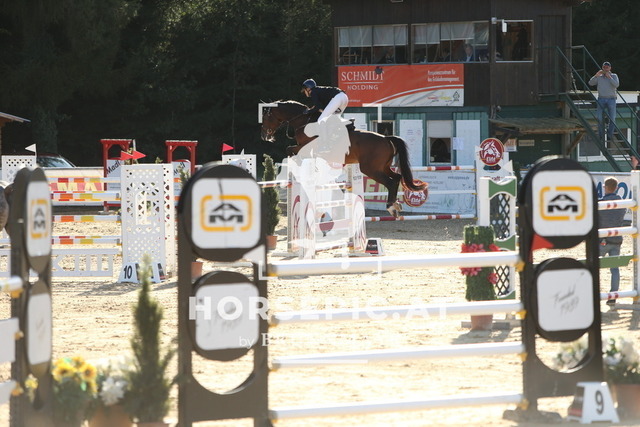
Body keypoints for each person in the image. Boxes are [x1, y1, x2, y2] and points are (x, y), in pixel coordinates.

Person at [599, 176, 626, 306]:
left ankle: (593, 294)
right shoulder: (623, 204)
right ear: (616, 188)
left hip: (602, 240)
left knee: (593, 267)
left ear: (605, 187)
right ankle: (613, 297)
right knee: (615, 269)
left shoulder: (600, 203)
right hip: (616, 239)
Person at [589, 61, 620, 143]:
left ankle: (609, 135)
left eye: (607, 67)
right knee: (599, 118)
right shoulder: (599, 76)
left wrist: (609, 77)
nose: (605, 69)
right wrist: (596, 75)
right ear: (602, 68)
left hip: (611, 99)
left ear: (610, 68)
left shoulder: (614, 75)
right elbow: (590, 83)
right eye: (604, 67)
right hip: (601, 99)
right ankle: (601, 135)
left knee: (612, 119)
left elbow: (616, 85)